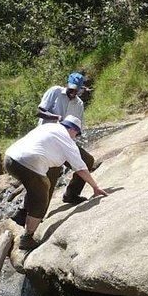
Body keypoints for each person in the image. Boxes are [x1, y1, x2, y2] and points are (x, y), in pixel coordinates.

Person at [4, 115, 108, 250]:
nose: (75, 137)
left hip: (10, 158)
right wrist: (95, 187)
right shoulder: (66, 139)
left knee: (35, 185)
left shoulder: (48, 127)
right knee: (41, 194)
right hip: (29, 162)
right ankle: (27, 238)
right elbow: (81, 168)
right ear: (73, 130)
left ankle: (21, 214)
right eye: (77, 134)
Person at [37, 72, 96, 204]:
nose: (73, 93)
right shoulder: (55, 92)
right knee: (49, 178)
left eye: (76, 91)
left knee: (87, 160)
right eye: (71, 90)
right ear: (67, 85)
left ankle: (71, 194)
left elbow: (78, 129)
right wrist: (56, 118)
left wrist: (73, 132)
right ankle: (25, 212)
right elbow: (39, 112)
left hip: (65, 142)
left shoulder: (79, 104)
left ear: (81, 90)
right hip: (46, 141)